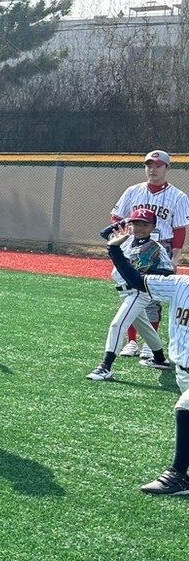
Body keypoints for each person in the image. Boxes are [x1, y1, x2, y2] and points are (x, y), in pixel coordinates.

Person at [105, 227, 189, 495]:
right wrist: (114, 250)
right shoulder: (181, 285)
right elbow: (138, 282)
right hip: (183, 371)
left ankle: (177, 476)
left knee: (185, 407)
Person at [111, 150, 189, 359]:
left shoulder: (178, 196)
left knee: (152, 297)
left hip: (159, 248)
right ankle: (132, 342)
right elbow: (116, 217)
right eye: (148, 165)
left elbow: (180, 228)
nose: (152, 170)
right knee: (129, 292)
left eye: (157, 166)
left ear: (167, 168)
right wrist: (122, 239)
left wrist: (175, 257)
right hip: (133, 247)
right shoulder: (132, 191)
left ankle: (149, 344)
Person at [88, 206, 174, 379]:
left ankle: (106, 366)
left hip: (139, 291)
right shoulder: (125, 239)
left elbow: (168, 271)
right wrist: (125, 222)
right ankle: (159, 358)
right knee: (145, 327)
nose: (140, 228)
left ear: (153, 227)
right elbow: (104, 233)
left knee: (117, 324)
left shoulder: (156, 248)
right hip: (124, 292)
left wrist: (145, 276)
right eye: (136, 224)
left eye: (145, 224)